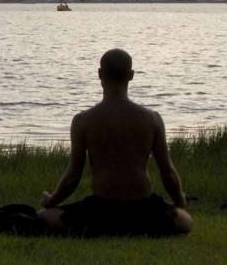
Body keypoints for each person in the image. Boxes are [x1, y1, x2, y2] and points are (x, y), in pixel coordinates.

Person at [38, 48, 193, 236]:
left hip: (101, 209)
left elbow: (72, 177)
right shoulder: (152, 119)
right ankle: (140, 227)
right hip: (143, 209)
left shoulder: (83, 120)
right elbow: (167, 173)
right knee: (184, 220)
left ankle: (103, 228)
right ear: (131, 75)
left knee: (44, 217)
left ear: (100, 74)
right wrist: (179, 202)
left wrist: (51, 201)